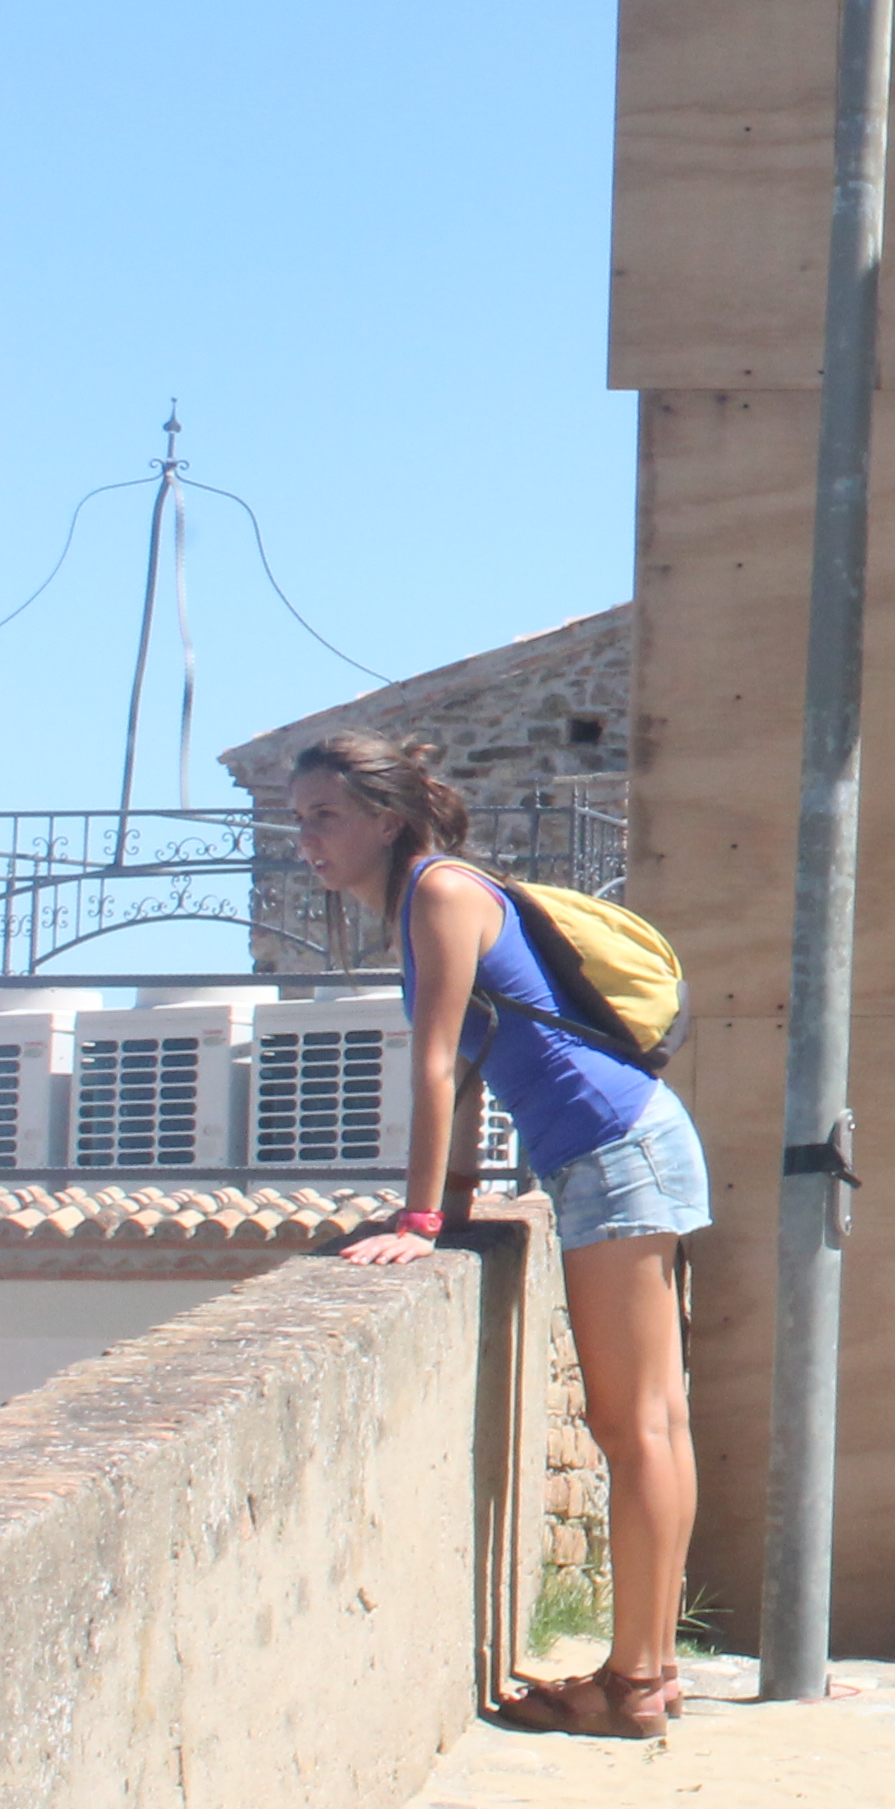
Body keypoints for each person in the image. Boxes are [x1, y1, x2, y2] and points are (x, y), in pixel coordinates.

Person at [301, 733, 707, 1740]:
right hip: (620, 1144)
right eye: (299, 819)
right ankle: (650, 1672)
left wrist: (419, 1221)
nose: (306, 839)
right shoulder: (429, 898)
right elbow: (484, 1054)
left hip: (612, 1148)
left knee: (636, 1425)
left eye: (325, 817)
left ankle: (634, 1685)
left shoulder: (438, 894)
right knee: (653, 1422)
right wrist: (455, 1197)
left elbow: (439, 1064)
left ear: (385, 820)